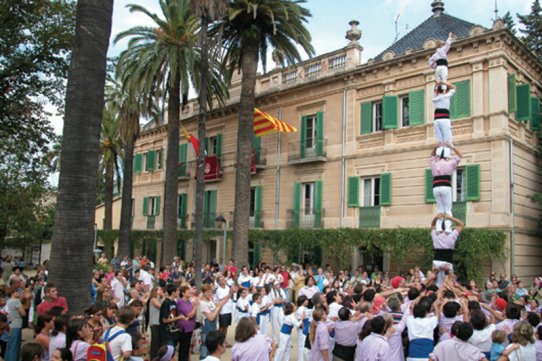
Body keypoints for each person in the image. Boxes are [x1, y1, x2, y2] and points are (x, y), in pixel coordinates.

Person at [429, 144, 462, 232]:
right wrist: (452, 146)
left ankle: (439, 228)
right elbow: (460, 156)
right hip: (445, 186)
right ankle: (448, 228)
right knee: (447, 208)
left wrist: (435, 147)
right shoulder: (449, 163)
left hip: (436, 187)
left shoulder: (434, 163)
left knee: (440, 208)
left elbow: (431, 155)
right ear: (447, 156)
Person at [431, 213, 464, 287]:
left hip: (436, 262)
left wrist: (436, 218)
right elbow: (461, 224)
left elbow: (432, 225)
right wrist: (450, 218)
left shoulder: (435, 235)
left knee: (434, 283)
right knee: (448, 284)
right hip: (447, 262)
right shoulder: (452, 235)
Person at [199, 284, 229, 360]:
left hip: (213, 327)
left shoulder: (210, 301)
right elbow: (211, 317)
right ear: (203, 293)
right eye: (207, 292)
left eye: (210, 292)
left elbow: (216, 313)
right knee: (205, 348)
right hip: (206, 328)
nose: (209, 294)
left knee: (212, 348)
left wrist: (220, 305)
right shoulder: (203, 303)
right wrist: (218, 306)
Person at [176, 285, 199, 361]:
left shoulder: (188, 301)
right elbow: (190, 314)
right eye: (188, 291)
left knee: (187, 347)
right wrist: (195, 306)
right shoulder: (181, 302)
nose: (190, 292)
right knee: (184, 348)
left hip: (189, 328)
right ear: (183, 293)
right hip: (184, 328)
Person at [432, 81, 457, 147]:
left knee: (439, 139)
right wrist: (443, 82)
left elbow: (435, 90)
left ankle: (442, 148)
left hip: (437, 120)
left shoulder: (435, 98)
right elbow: (454, 87)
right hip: (444, 119)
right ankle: (447, 149)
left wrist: (438, 84)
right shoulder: (446, 96)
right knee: (447, 138)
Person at [6, 287, 26, 361]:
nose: (18, 293)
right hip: (16, 324)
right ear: (13, 293)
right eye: (17, 291)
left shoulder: (8, 301)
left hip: (10, 324)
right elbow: (23, 313)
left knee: (10, 344)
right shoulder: (16, 301)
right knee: (15, 345)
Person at [148, 286, 164, 359]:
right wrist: (163, 298)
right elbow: (160, 306)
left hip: (159, 322)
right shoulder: (153, 299)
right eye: (159, 289)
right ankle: (153, 357)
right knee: (155, 342)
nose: (161, 291)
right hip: (154, 322)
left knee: (159, 341)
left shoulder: (159, 299)